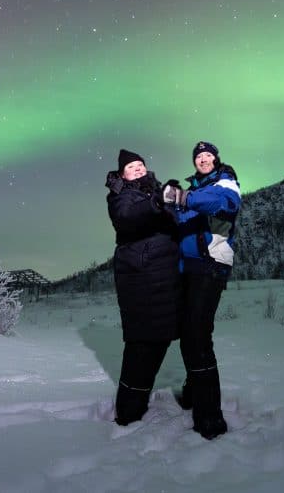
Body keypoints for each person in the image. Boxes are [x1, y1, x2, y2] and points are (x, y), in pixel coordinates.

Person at [163, 140, 241, 440]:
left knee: (197, 337)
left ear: (216, 159)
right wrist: (169, 205)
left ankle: (210, 418)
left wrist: (183, 196)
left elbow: (224, 204)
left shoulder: (226, 182)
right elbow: (180, 224)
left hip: (211, 266)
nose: (204, 160)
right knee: (189, 334)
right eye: (199, 157)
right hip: (188, 269)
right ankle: (194, 392)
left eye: (208, 156)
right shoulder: (195, 190)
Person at [105, 148, 183, 426]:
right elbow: (128, 216)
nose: (137, 169)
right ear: (122, 174)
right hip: (142, 277)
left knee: (161, 338)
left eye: (140, 164)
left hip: (165, 277)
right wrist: (157, 202)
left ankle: (139, 404)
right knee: (142, 343)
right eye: (131, 167)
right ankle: (128, 411)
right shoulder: (121, 195)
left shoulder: (153, 192)